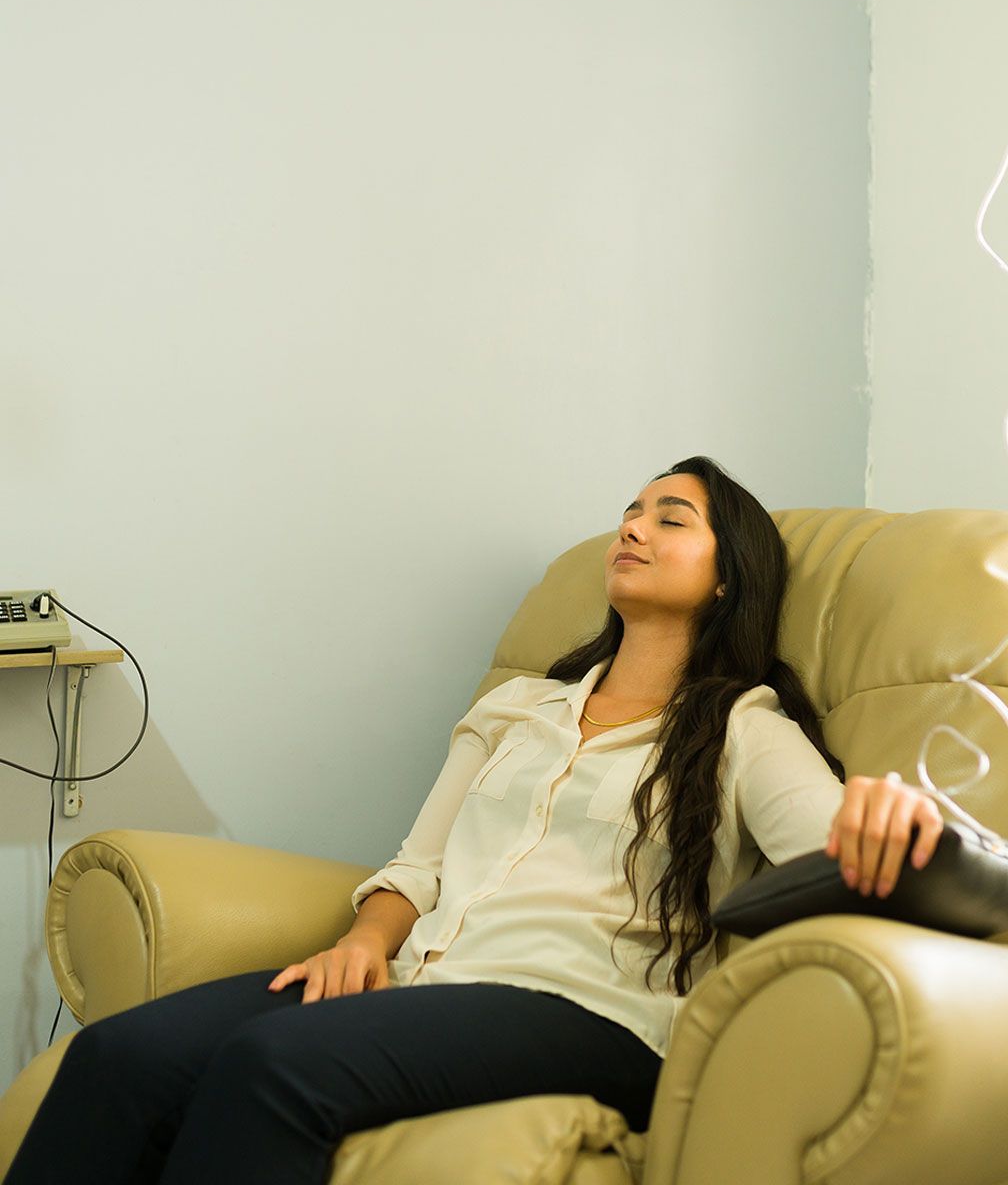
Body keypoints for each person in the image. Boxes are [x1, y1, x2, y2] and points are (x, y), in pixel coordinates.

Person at [3, 454, 944, 1185]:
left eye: (672, 518)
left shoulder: (743, 725)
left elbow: (835, 854)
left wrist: (889, 817)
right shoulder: (520, 710)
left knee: (272, 1067)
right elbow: (418, 866)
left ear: (727, 575)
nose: (633, 525)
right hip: (427, 981)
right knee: (117, 1058)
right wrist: (365, 941)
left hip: (592, 1010)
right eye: (631, 509)